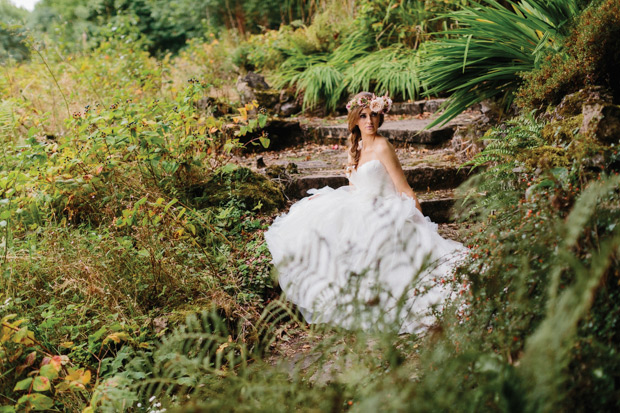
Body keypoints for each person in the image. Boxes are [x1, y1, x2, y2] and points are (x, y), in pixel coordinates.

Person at [264, 92, 465, 334]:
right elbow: (354, 189)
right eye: (363, 116)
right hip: (362, 205)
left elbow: (403, 187)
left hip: (387, 208)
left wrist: (423, 226)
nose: (369, 121)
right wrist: (329, 198)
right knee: (318, 220)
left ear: (380, 117)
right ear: (355, 120)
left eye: (373, 115)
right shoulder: (355, 148)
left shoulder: (382, 146)